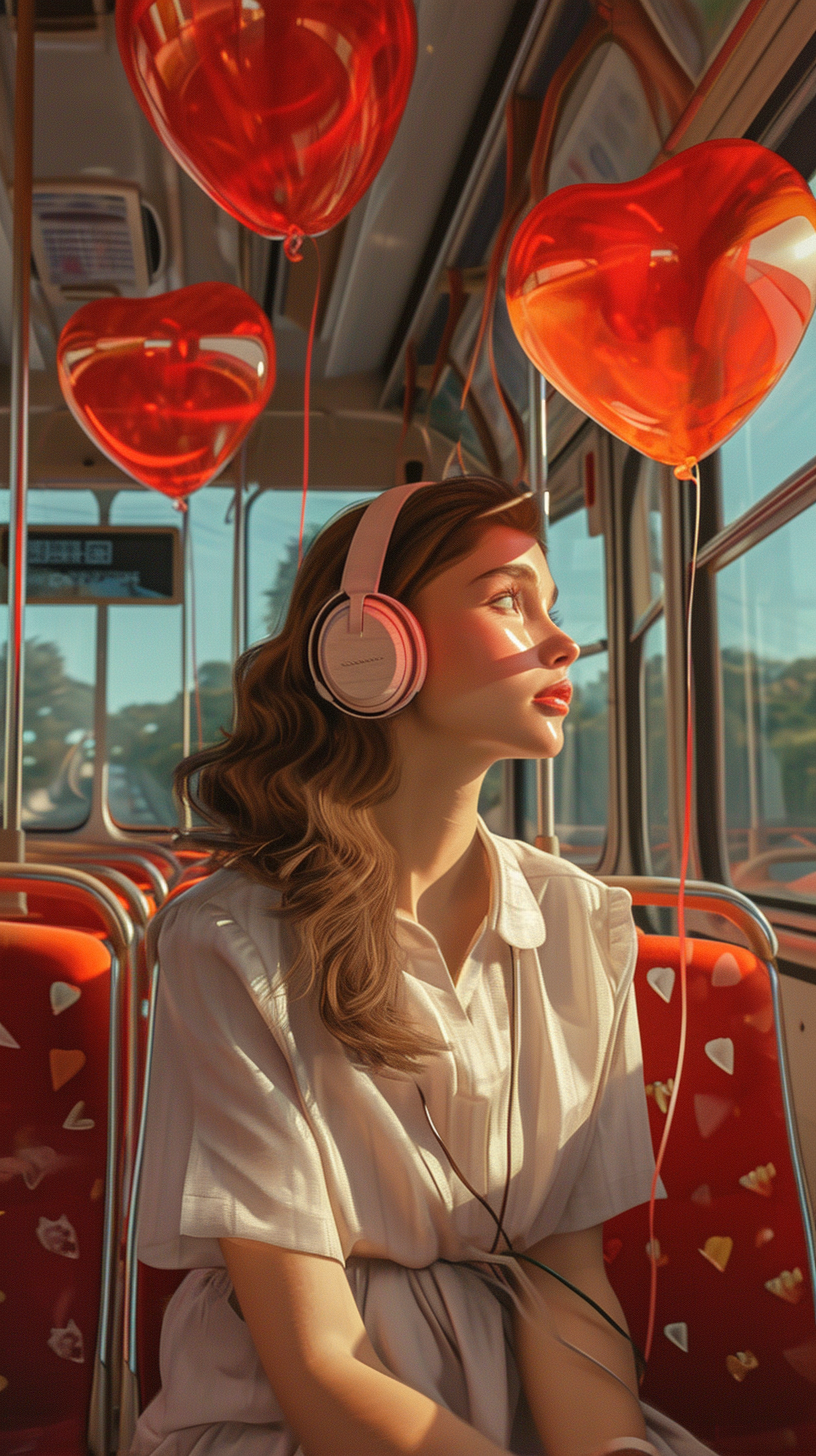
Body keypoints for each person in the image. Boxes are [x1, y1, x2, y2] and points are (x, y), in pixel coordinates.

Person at [131, 475, 716, 1456]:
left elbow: (567, 1287)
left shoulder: (585, 922)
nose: (562, 642)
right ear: (371, 644)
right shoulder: (226, 943)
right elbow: (319, 1365)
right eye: (506, 599)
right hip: (289, 1417)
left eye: (553, 607)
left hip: (528, 1405)